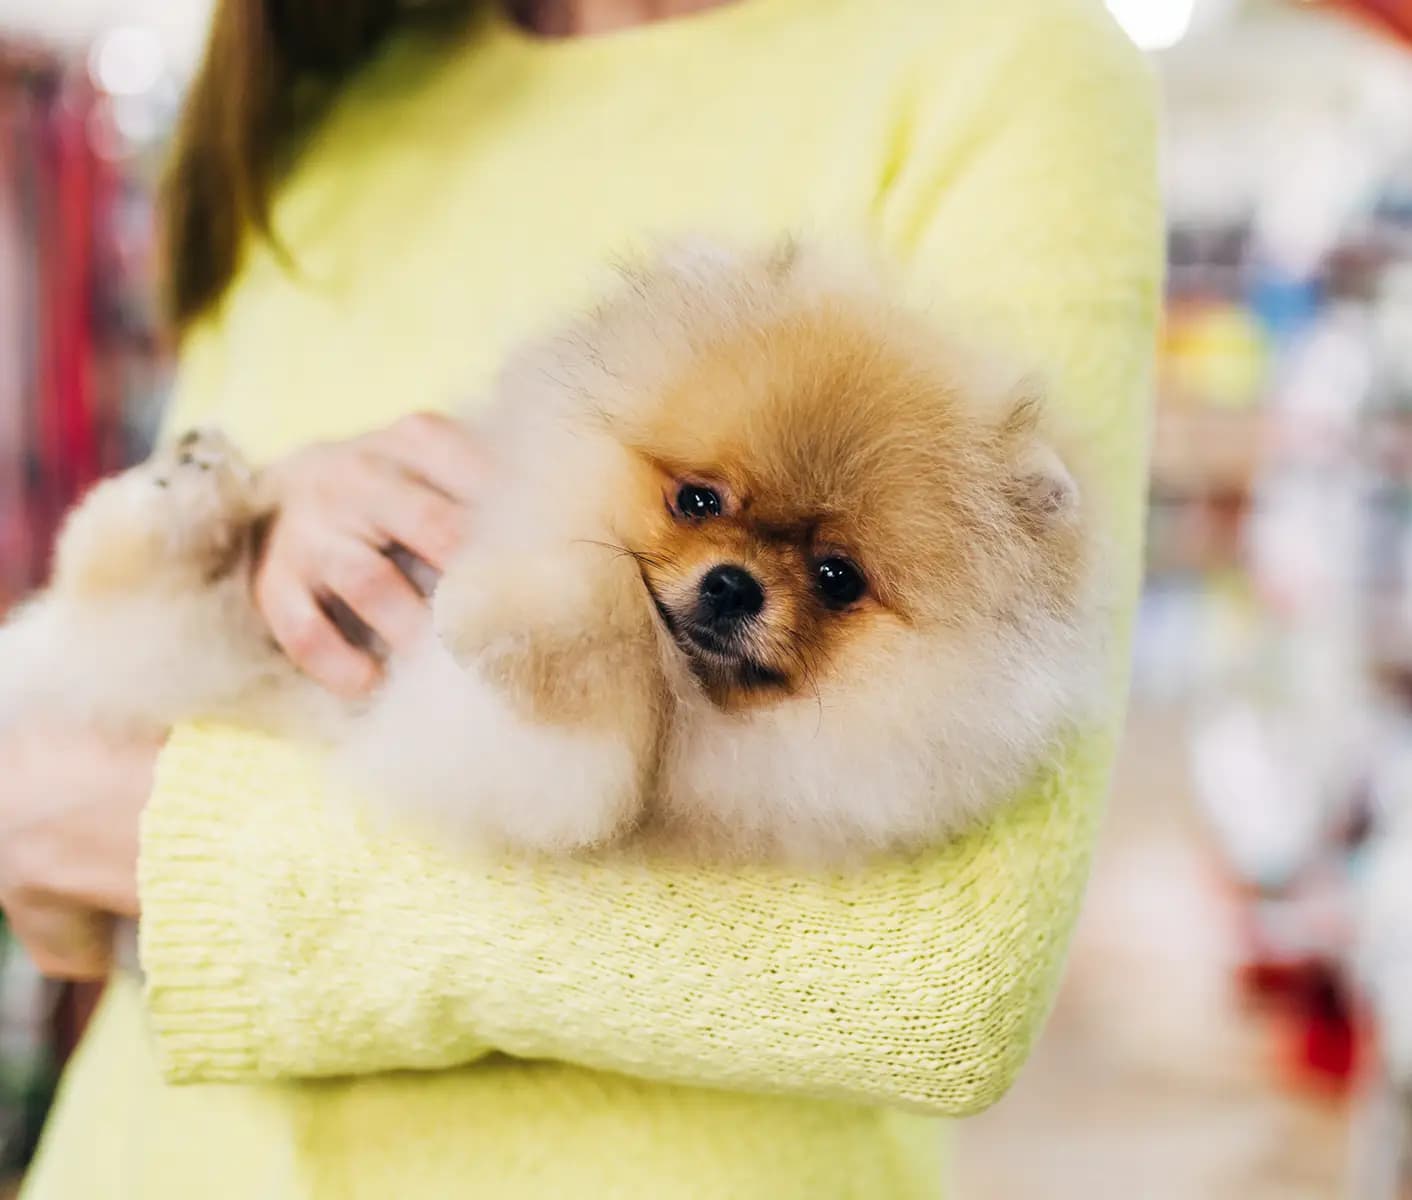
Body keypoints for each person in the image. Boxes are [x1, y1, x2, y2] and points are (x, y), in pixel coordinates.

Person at [0, 0, 1161, 1194]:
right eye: (698, 504)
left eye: (828, 578)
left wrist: (179, 852)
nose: (727, 574)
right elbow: (50, 836)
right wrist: (270, 525)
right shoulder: (323, 82)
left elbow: (934, 995)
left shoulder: (1003, 67)